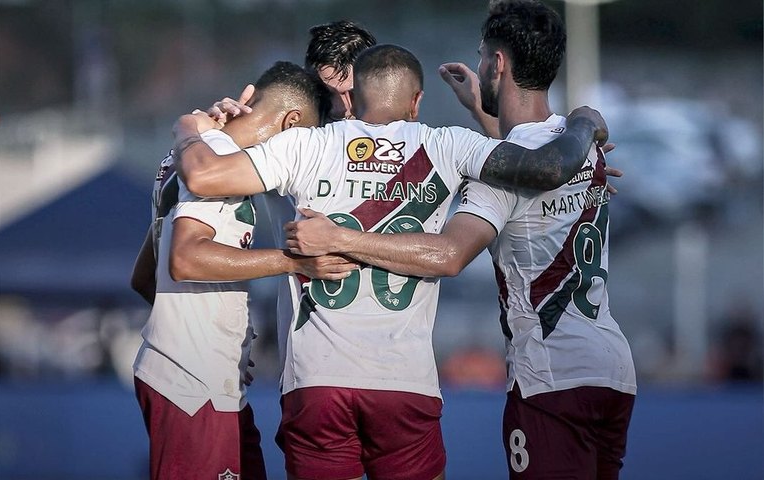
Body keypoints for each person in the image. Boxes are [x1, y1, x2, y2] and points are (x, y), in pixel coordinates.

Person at [172, 43, 607, 480]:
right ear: (416, 101)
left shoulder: (302, 145)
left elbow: (204, 174)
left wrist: (190, 127)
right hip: (404, 383)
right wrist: (585, 128)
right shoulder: (448, 144)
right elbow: (542, 166)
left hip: (316, 381)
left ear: (354, 99)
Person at [284, 2, 637, 479]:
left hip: (550, 374)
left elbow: (449, 254)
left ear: (497, 65)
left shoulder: (510, 173)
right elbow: (526, 158)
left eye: (482, 56)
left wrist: (338, 237)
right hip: (611, 367)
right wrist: (504, 112)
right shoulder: (582, 149)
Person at [129, 61, 357, 480]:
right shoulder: (222, 164)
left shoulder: (187, 155)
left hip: (201, 376)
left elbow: (146, 276)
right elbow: (185, 258)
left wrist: (216, 336)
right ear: (292, 124)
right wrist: (296, 261)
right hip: (194, 385)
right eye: (304, 141)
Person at [204, 21, 378, 365]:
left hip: (390, 355)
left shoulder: (410, 147)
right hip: (309, 359)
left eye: (353, 92)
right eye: (331, 93)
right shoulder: (289, 145)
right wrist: (214, 129)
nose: (345, 107)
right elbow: (204, 171)